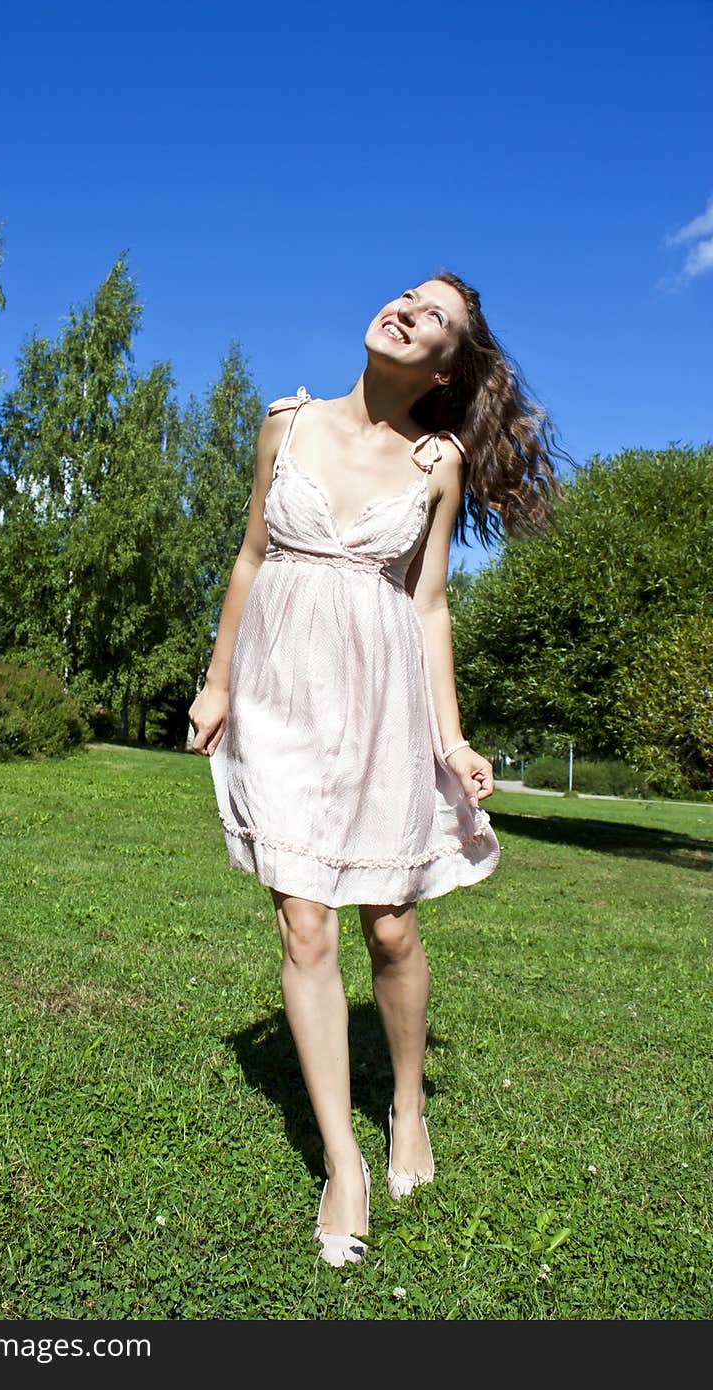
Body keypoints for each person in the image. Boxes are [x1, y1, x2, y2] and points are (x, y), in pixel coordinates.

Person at [188, 272, 565, 1267]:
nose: (405, 309)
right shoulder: (287, 424)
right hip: (277, 695)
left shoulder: (436, 463)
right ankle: (342, 1160)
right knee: (302, 919)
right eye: (406, 295)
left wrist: (450, 739)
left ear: (446, 365)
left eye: (432, 316)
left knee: (390, 927)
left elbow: (428, 604)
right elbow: (249, 558)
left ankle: (405, 1106)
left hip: (382, 703)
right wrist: (217, 683)